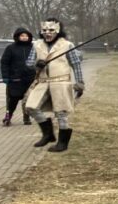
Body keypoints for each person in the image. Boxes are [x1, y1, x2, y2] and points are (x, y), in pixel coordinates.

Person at [25, 18, 84, 153]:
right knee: (31, 107)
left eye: (51, 30)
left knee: (61, 113)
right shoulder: (37, 45)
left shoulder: (67, 45)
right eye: (45, 30)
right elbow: (28, 63)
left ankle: (62, 143)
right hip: (43, 82)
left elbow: (76, 64)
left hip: (61, 83)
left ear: (58, 30)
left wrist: (80, 83)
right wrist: (36, 64)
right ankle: (48, 134)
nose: (48, 33)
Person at [0, 27, 35, 126]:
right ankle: (8, 117)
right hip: (15, 79)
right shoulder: (10, 48)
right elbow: (4, 63)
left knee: (28, 99)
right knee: (13, 100)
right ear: (17, 37)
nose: (24, 37)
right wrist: (5, 76)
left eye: (26, 35)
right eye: (22, 35)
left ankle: (26, 117)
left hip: (30, 78)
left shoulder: (34, 47)